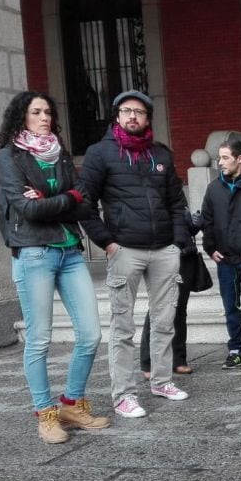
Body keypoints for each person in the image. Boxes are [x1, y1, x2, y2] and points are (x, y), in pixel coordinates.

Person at [0, 91, 109, 443]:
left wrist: (51, 199)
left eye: (48, 112)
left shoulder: (57, 153)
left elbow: (85, 201)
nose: (44, 117)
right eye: (36, 112)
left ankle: (71, 403)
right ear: (21, 117)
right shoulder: (9, 156)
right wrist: (65, 199)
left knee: (91, 334)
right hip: (34, 253)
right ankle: (45, 414)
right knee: (39, 339)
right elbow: (27, 210)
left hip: (70, 251)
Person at [79, 89, 190, 418]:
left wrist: (178, 243)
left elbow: (176, 202)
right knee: (122, 327)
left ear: (147, 119)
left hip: (163, 250)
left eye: (139, 113)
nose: (132, 117)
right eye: (126, 111)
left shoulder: (161, 155)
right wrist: (107, 243)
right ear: (116, 116)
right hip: (125, 249)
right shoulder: (100, 154)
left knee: (165, 322)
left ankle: (161, 380)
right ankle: (124, 395)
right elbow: (84, 203)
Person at [201, 134, 241, 370]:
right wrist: (210, 248)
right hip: (225, 259)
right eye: (219, 158)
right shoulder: (214, 188)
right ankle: (235, 350)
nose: (220, 163)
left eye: (225, 158)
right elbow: (206, 220)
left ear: (240, 159)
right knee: (230, 307)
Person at [139, 208, 201, 377]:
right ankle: (148, 363)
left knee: (179, 309)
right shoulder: (151, 195)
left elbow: (184, 227)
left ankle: (178, 360)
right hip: (161, 255)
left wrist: (194, 224)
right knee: (157, 309)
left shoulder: (176, 196)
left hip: (185, 256)